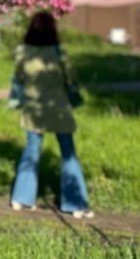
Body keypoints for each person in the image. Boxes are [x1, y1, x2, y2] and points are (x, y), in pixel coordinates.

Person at [8, 11, 92, 218]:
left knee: (31, 153)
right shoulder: (58, 52)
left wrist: (17, 100)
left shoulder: (23, 52)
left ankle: (21, 198)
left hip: (33, 110)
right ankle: (75, 204)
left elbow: (17, 79)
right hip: (58, 109)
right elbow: (70, 78)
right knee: (68, 154)